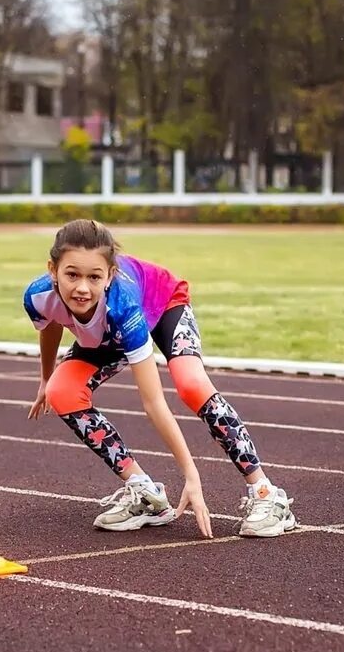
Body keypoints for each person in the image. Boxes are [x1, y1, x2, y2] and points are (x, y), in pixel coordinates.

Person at [24, 219, 296, 539]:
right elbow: (52, 323)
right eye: (72, 275)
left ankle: (267, 494)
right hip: (107, 332)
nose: (82, 287)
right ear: (52, 270)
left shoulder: (123, 307)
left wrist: (190, 475)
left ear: (110, 275)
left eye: (94, 277)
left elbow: (154, 403)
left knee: (190, 384)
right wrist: (45, 377)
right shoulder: (37, 296)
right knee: (62, 391)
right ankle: (146, 494)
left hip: (164, 303)